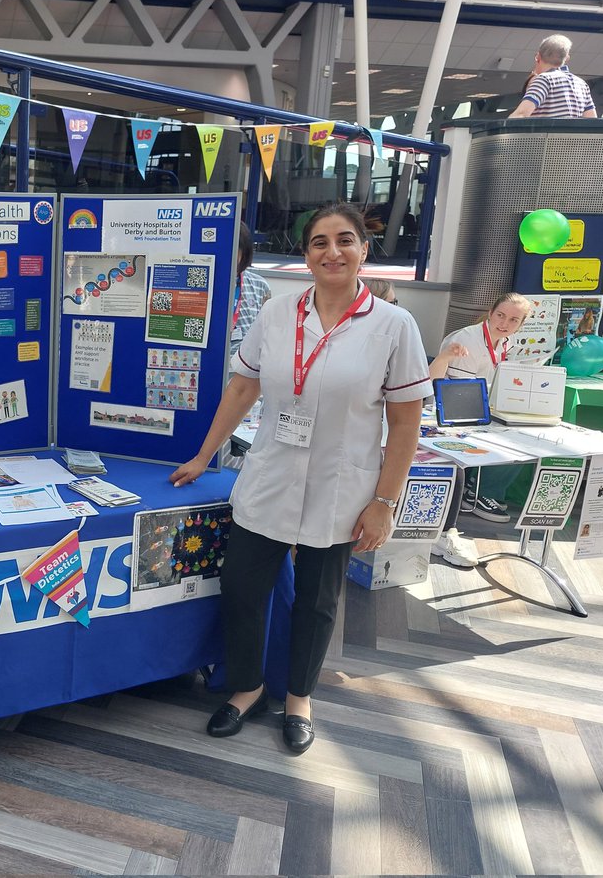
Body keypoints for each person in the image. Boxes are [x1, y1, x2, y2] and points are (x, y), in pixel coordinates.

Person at [170, 202, 429, 755]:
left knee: (317, 599)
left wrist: (385, 500)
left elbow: (406, 420)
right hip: (271, 475)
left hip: (343, 485)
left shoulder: (393, 326)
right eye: (319, 242)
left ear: (364, 249)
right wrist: (202, 455)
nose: (332, 252)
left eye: (344, 240)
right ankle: (248, 687)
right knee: (242, 588)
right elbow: (243, 388)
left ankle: (299, 698)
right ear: (305, 254)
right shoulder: (278, 313)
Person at [429, 292, 532, 524]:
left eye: (514, 320)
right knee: (510, 435)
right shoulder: (467, 339)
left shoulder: (508, 341)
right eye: (501, 316)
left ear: (521, 324)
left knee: (524, 430)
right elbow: (460, 392)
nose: (505, 324)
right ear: (490, 313)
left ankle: (483, 489)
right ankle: (480, 492)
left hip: (483, 406)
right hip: (452, 409)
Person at [509, 35, 596, 119]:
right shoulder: (582, 84)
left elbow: (521, 114)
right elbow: (592, 121)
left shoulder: (544, 80)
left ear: (537, 56)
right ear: (566, 58)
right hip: (571, 134)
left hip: (544, 133)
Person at [229, 223, 272, 357]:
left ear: (244, 251)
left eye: (233, 249)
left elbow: (267, 332)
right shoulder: (196, 288)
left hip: (244, 367)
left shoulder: (259, 285)